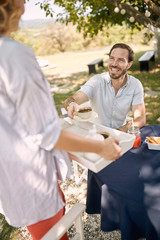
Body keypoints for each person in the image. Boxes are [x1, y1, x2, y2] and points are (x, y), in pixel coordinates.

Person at [0, 1, 122, 240]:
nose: (25, 3)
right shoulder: (14, 54)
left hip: (11, 177)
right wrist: (101, 147)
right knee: (54, 234)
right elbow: (47, 133)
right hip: (31, 180)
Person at [64, 43, 146, 132]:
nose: (114, 64)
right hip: (95, 133)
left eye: (120, 60)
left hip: (120, 133)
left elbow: (140, 119)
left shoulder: (135, 85)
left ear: (129, 64)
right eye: (112, 58)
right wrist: (72, 103)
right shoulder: (97, 81)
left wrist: (117, 132)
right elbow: (73, 99)